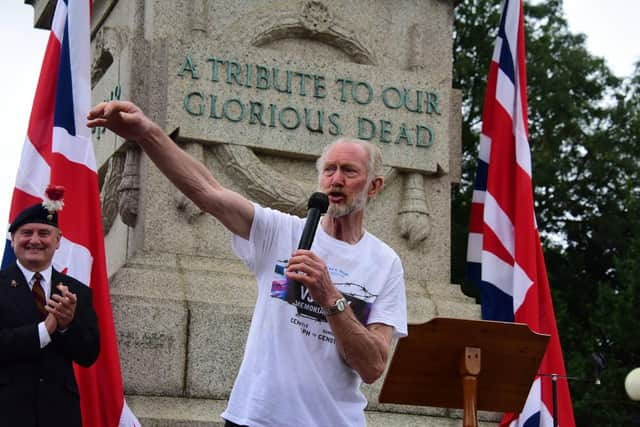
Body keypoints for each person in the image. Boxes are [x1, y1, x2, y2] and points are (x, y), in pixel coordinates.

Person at [87, 100, 407, 427]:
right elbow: (207, 190)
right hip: (255, 418)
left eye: (349, 171)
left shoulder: (385, 263)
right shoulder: (281, 232)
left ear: (374, 186)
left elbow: (372, 366)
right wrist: (146, 133)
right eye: (329, 170)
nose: (336, 180)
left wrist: (330, 298)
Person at [0, 188, 100, 427]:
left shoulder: (77, 291)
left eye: (44, 233)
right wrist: (44, 330)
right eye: (26, 233)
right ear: (13, 240)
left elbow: (89, 355)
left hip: (59, 415)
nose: (35, 240)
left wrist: (67, 326)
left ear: (57, 241)